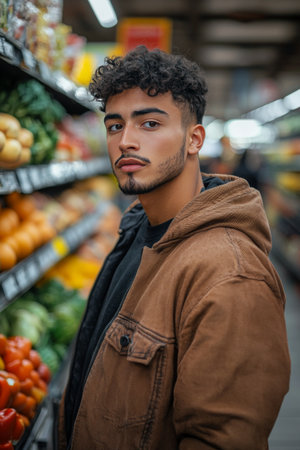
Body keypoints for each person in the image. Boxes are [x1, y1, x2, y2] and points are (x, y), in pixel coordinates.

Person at [58, 45, 290, 450]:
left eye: (149, 124)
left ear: (194, 139)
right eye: (114, 126)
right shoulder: (137, 230)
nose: (126, 141)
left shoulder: (230, 275)